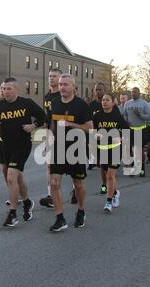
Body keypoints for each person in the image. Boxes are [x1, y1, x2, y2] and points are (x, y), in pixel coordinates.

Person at [0, 78, 46, 227]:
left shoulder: (26, 103)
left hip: (22, 145)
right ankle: (26, 202)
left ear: (16, 90)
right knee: (14, 176)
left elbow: (43, 116)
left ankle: (12, 214)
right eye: (3, 88)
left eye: (8, 88)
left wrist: (33, 126)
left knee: (12, 176)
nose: (5, 91)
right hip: (4, 145)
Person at [48, 74, 93, 232]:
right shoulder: (54, 103)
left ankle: (81, 210)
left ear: (74, 87)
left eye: (66, 84)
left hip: (77, 148)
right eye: (60, 84)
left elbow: (89, 127)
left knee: (78, 184)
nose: (62, 87)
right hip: (58, 148)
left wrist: (71, 124)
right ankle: (60, 218)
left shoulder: (81, 105)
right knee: (54, 183)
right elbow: (52, 124)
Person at [92, 93, 130, 212]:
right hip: (102, 148)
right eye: (103, 100)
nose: (104, 102)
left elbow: (126, 129)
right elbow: (92, 131)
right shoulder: (97, 116)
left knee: (110, 175)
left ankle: (108, 202)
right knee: (105, 172)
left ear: (113, 102)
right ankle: (115, 193)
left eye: (107, 100)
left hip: (114, 148)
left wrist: (121, 138)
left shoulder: (117, 115)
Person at [39, 68, 63, 209]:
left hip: (65, 135)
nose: (51, 78)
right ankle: (51, 196)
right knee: (49, 165)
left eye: (54, 76)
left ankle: (75, 189)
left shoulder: (63, 95)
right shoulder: (47, 96)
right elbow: (47, 114)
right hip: (49, 135)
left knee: (69, 167)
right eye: (50, 76)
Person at [123, 87, 150, 177]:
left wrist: (140, 114)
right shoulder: (127, 103)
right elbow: (125, 115)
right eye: (132, 92)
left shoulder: (144, 103)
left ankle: (142, 169)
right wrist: (126, 122)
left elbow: (149, 116)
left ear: (139, 93)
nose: (133, 94)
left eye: (135, 92)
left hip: (141, 129)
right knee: (131, 150)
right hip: (131, 129)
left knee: (140, 150)